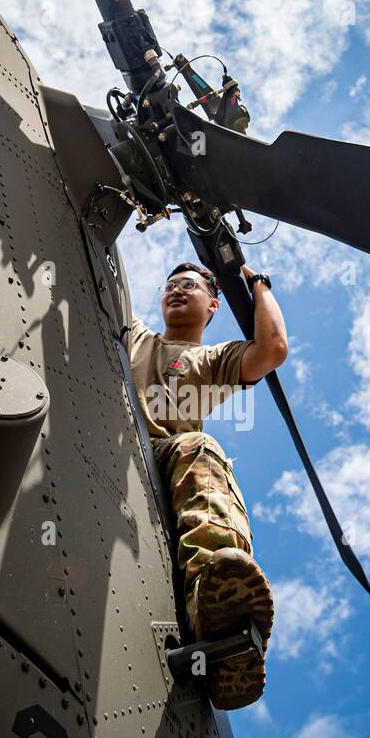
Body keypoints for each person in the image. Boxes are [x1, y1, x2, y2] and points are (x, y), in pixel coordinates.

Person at [126, 260, 288, 709]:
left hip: (160, 458)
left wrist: (258, 286)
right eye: (170, 285)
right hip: (111, 437)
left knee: (198, 446)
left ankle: (215, 605)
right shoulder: (134, 337)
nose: (176, 291)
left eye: (189, 286)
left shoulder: (210, 361)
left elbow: (271, 349)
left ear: (212, 304)